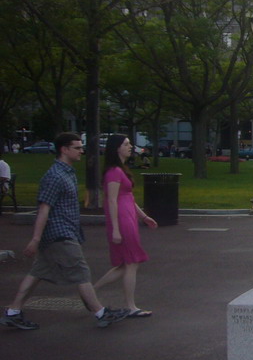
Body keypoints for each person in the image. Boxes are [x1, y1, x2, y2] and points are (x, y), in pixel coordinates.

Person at [2, 133, 128, 330]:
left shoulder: (67, 172)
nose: (81, 151)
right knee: (80, 270)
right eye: (77, 148)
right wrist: (35, 239)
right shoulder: (54, 176)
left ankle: (13, 312)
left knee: (38, 272)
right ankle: (101, 312)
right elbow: (44, 208)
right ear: (64, 149)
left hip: (64, 230)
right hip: (59, 233)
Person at [92, 135, 158, 317]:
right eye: (126, 144)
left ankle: (90, 292)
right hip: (122, 219)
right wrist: (115, 228)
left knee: (125, 263)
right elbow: (112, 201)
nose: (130, 147)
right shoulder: (113, 172)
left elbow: (129, 197)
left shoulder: (120, 170)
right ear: (116, 148)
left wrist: (144, 217)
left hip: (127, 217)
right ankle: (130, 306)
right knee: (131, 262)